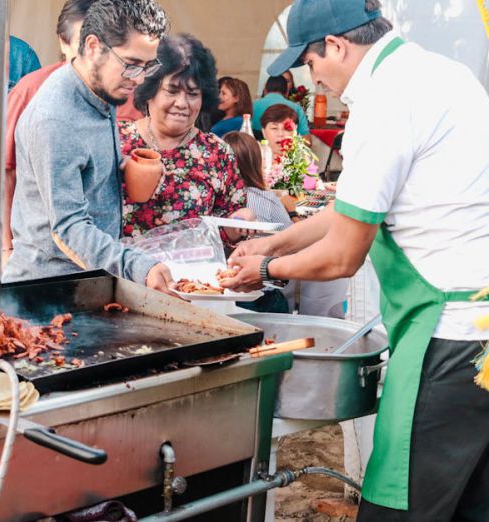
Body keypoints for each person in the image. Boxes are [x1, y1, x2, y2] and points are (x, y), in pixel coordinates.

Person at [222, 0, 489, 519]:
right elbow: (355, 206)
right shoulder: (440, 73)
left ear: (338, 46)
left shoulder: (384, 101)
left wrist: (261, 272)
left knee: (402, 504)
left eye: (311, 62)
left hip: (450, 337)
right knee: (473, 500)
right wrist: (274, 243)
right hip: (482, 328)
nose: (312, 78)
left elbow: (343, 254)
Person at [2, 0, 175, 293]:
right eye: (132, 65)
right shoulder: (55, 119)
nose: (140, 78)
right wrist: (138, 266)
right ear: (93, 47)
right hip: (48, 290)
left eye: (148, 66)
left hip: (89, 278)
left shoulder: (100, 90)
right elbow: (68, 229)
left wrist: (126, 169)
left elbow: (88, 172)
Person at [117, 34, 252, 240]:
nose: (182, 103)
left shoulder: (217, 152)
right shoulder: (118, 141)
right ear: (150, 91)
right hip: (123, 270)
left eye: (192, 93)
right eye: (172, 91)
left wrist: (238, 225)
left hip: (192, 271)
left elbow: (226, 228)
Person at [2, 0, 97, 265]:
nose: (92, 53)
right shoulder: (33, 88)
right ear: (63, 42)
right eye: (83, 42)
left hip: (104, 250)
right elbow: (8, 170)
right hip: (41, 250)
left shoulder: (125, 95)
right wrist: (6, 248)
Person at [221, 131, 290, 313]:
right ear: (256, 163)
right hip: (262, 295)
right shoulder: (267, 200)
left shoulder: (212, 199)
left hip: (220, 292)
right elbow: (289, 238)